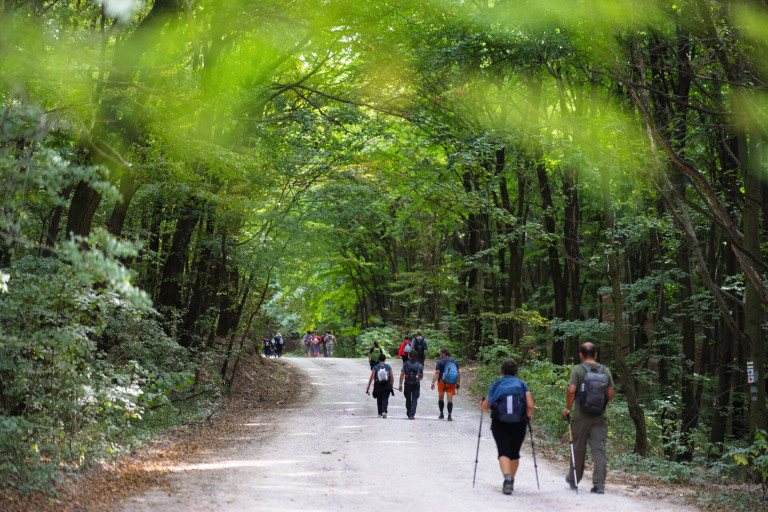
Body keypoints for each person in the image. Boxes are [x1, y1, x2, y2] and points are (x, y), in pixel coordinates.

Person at [562, 342, 614, 494]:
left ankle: (574, 480)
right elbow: (610, 394)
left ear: (580, 354)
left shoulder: (578, 370)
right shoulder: (605, 371)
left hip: (580, 415)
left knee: (578, 448)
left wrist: (568, 409)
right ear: (596, 354)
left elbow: (571, 390)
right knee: (599, 449)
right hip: (600, 416)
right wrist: (600, 404)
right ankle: (599, 485)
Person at [480, 358, 535, 494]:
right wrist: (529, 416)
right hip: (519, 423)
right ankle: (511, 480)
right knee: (514, 453)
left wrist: (482, 404)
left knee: (503, 451)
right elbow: (530, 405)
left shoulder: (497, 384)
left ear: (502, 370)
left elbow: (486, 406)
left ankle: (507, 478)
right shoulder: (522, 385)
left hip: (499, 422)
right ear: (516, 371)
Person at [430, 348, 460, 420]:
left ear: (445, 354)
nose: (440, 354)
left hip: (442, 382)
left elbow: (437, 373)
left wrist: (433, 382)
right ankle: (449, 415)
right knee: (450, 400)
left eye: (441, 353)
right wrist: (458, 383)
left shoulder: (440, 362)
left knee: (441, 398)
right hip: (451, 382)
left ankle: (441, 414)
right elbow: (458, 374)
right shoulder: (454, 362)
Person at [366, 354, 394, 418]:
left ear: (378, 359)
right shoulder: (388, 367)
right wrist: (391, 385)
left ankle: (380, 413)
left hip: (378, 385)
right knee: (385, 399)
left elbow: (372, 377)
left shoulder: (375, 367)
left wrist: (369, 385)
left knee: (379, 399)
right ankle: (384, 411)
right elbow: (392, 377)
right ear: (385, 359)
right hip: (386, 385)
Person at [398, 350, 423, 419]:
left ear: (409, 356)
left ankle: (409, 411)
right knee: (415, 399)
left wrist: (400, 384)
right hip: (416, 383)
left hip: (407, 383)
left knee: (408, 398)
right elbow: (421, 375)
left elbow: (402, 374)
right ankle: (411, 414)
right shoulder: (419, 364)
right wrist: (418, 380)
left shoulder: (406, 363)